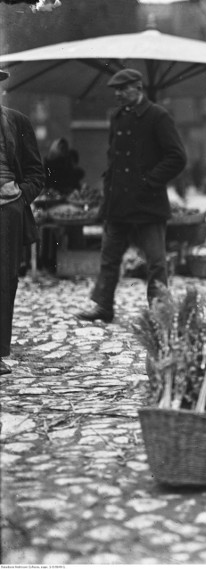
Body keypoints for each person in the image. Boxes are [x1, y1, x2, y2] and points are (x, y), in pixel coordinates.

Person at [76, 68, 187, 323]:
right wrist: (107, 194)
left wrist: (150, 181)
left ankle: (159, 312)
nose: (117, 95)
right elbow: (114, 158)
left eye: (122, 89)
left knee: (156, 262)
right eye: (115, 90)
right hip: (118, 204)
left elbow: (177, 157)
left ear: (138, 88)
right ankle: (103, 306)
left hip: (148, 204)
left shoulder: (158, 116)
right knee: (109, 258)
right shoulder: (117, 116)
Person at [0, 67, 46, 375]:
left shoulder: (16, 122)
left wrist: (19, 197)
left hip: (7, 210)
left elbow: (37, 173)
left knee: (4, 279)